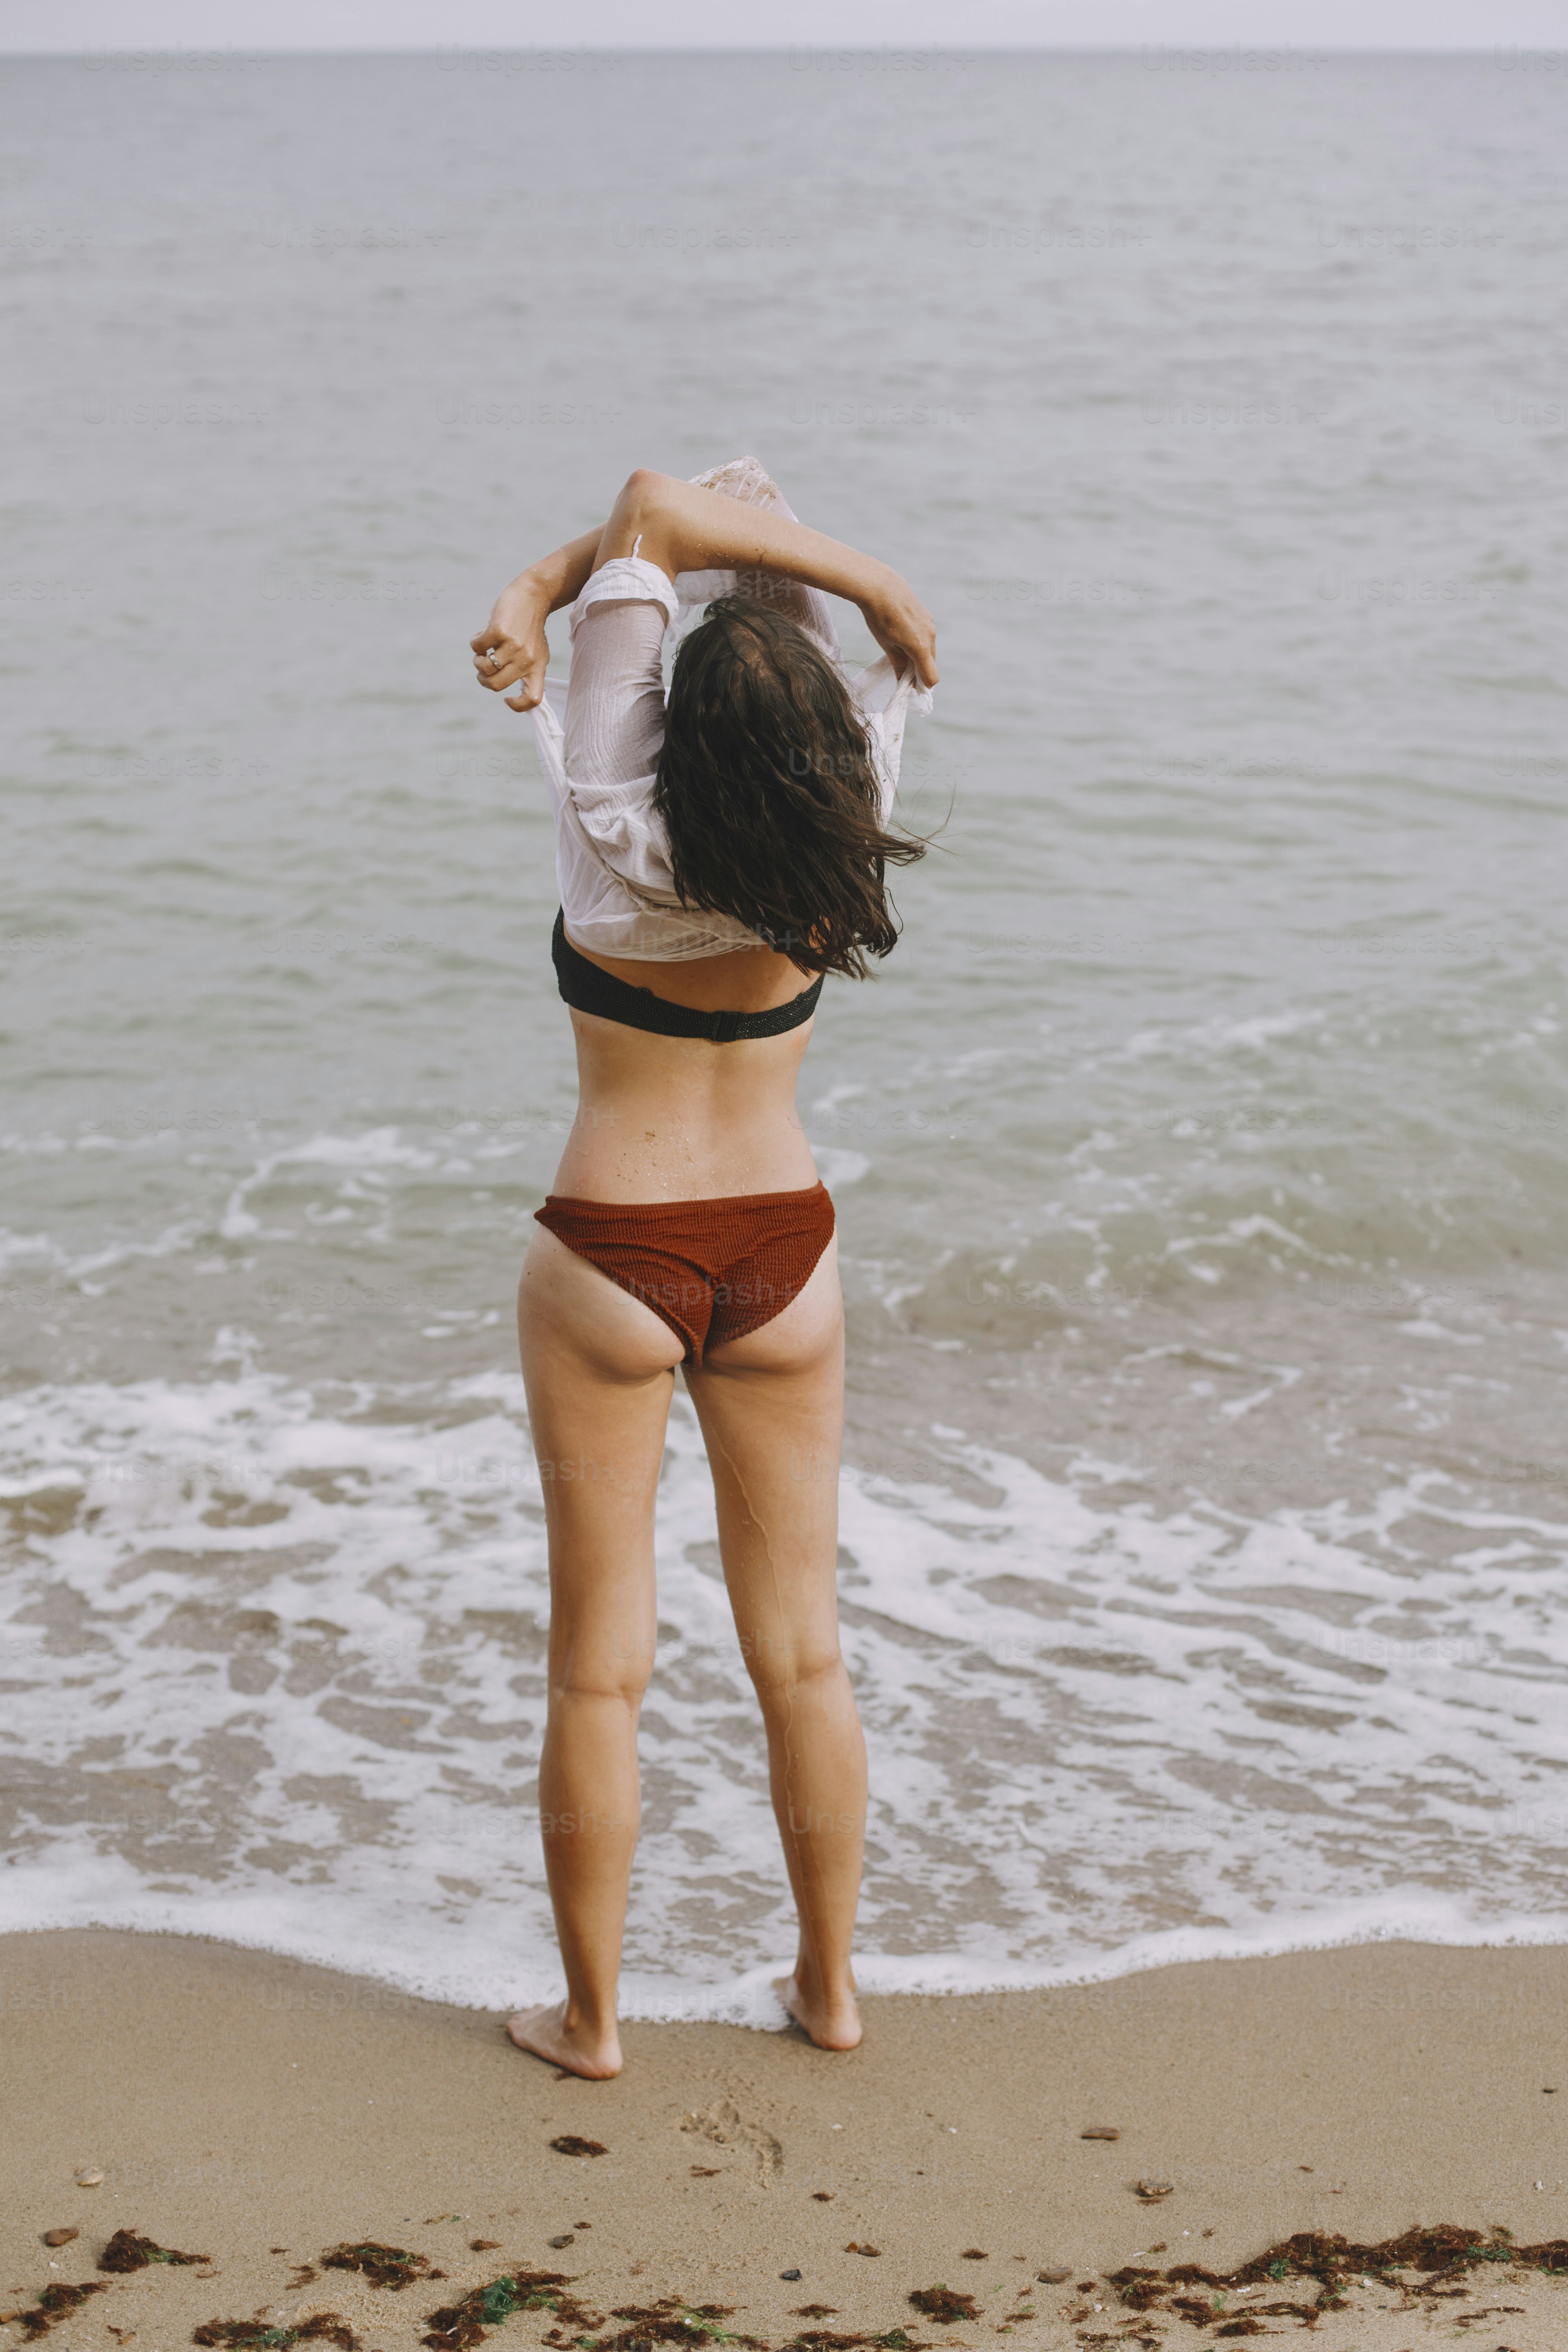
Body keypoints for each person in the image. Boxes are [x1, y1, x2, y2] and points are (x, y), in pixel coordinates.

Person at [470, 457, 938, 2078]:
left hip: (614, 1252)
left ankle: (591, 2021)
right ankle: (831, 1991)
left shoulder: (613, 822)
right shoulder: (846, 800)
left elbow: (660, 509)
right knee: (802, 1650)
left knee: (600, 1663)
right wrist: (864, 584)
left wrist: (546, 589)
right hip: (785, 1255)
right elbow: (727, 535)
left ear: (666, 715)